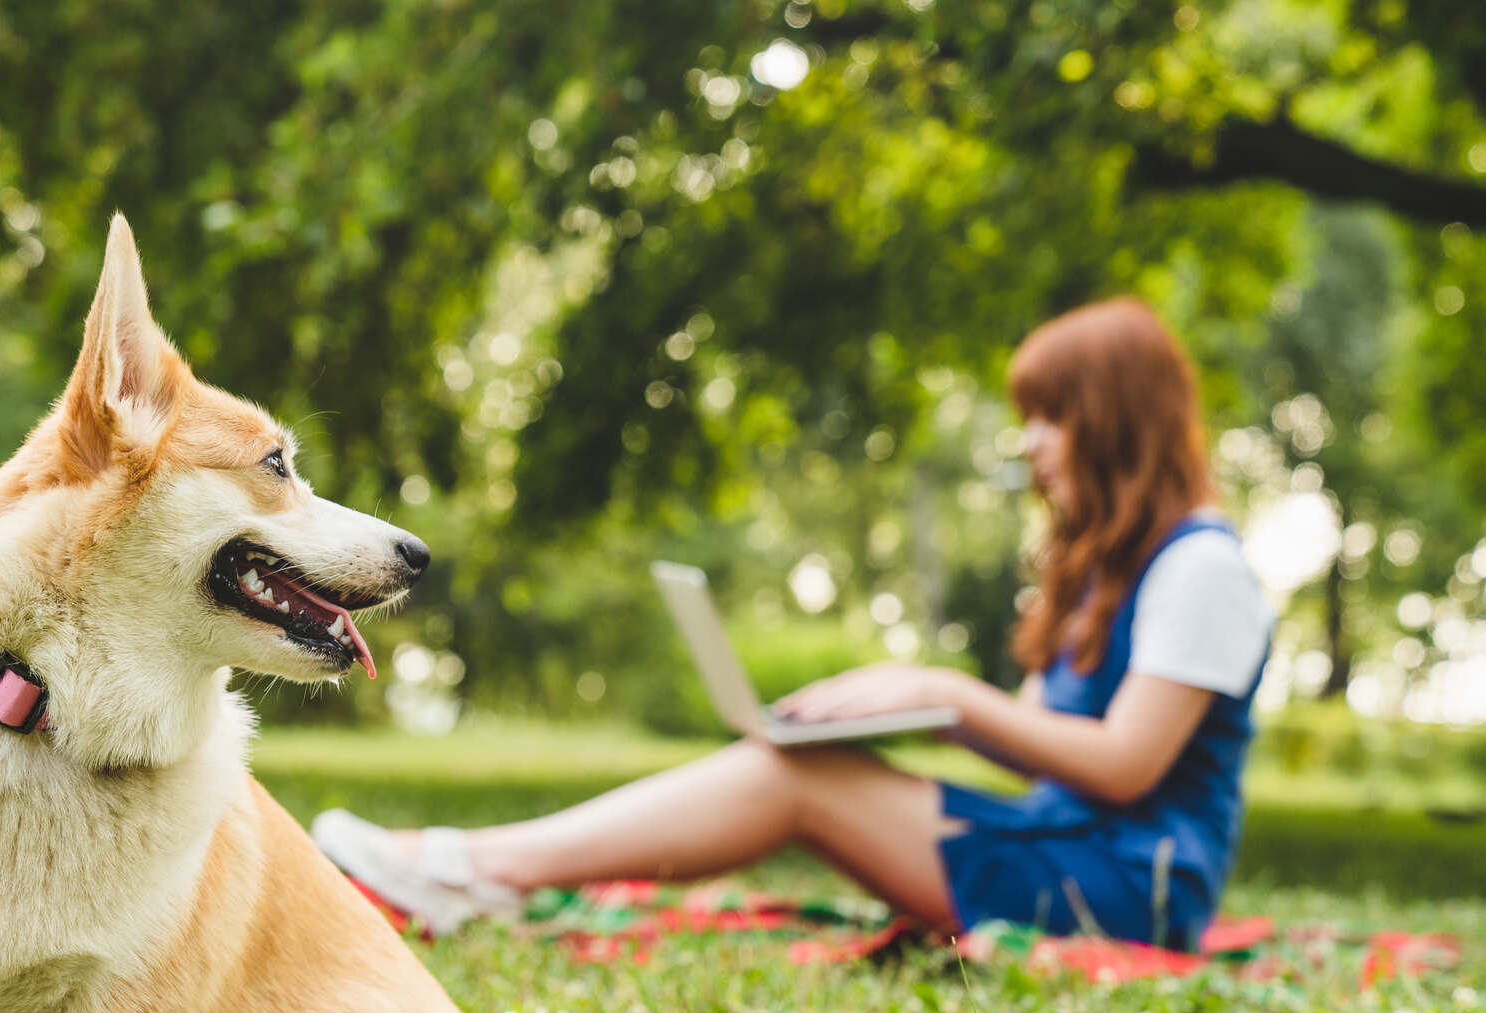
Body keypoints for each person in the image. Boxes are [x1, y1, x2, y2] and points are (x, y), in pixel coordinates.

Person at [313, 298, 1276, 951]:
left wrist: (942, 697)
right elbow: (1043, 759)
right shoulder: (1104, 573)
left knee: (792, 777)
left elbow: (1123, 766)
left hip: (1132, 895)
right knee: (805, 766)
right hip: (1059, 849)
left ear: (1118, 424)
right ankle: (470, 868)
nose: (1029, 445)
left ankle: (469, 871)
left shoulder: (1200, 568)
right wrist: (895, 721)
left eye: (1052, 418)